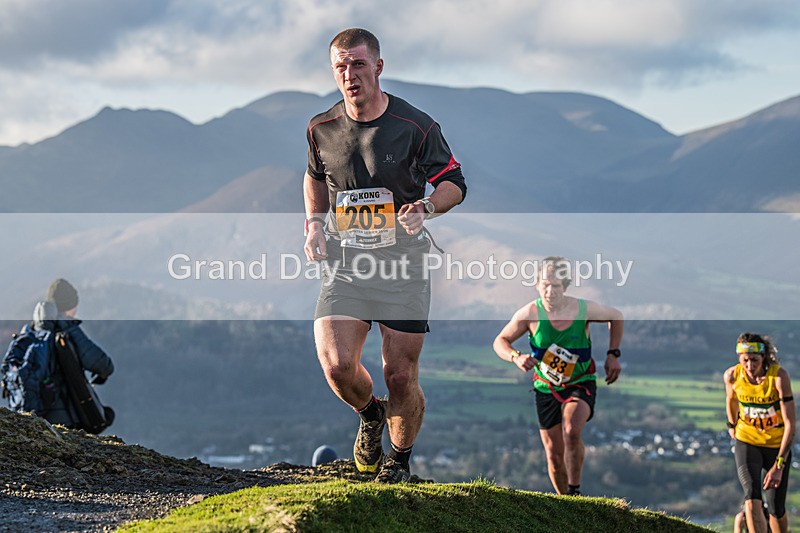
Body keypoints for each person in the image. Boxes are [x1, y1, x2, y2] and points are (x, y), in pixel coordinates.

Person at [303, 28, 466, 483]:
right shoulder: (321, 127)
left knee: (399, 376)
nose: (350, 74)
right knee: (337, 366)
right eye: (341, 66)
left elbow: (455, 182)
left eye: (358, 64)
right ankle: (369, 415)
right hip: (347, 263)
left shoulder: (416, 126)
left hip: (403, 265)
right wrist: (315, 223)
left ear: (378, 66)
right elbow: (315, 176)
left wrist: (428, 207)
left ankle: (398, 461)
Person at [493, 257, 623, 495]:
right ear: (537, 284)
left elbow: (616, 316)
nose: (550, 291)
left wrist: (613, 354)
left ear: (566, 286)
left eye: (556, 286)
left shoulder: (583, 309)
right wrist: (516, 356)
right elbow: (500, 341)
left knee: (572, 430)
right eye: (545, 285)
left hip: (580, 382)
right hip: (545, 386)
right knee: (553, 453)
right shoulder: (530, 313)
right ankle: (566, 502)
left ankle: (575, 490)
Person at [725, 333, 795, 533]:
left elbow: (790, 424)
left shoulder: (778, 377)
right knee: (751, 493)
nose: (749, 365)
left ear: (764, 357)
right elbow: (730, 399)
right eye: (744, 360)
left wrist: (779, 465)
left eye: (754, 360)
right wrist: (732, 426)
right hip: (748, 441)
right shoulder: (731, 376)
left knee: (775, 508)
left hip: (776, 446)